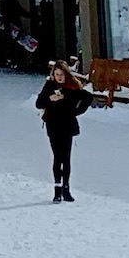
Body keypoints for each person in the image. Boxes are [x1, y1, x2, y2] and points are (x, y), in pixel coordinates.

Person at [36, 61, 92, 202]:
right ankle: (57, 190)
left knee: (66, 158)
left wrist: (76, 111)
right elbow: (39, 103)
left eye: (62, 74)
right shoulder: (49, 86)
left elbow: (87, 97)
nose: (59, 77)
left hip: (67, 125)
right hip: (53, 124)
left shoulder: (72, 87)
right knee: (57, 157)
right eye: (57, 74)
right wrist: (51, 99)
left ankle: (66, 189)